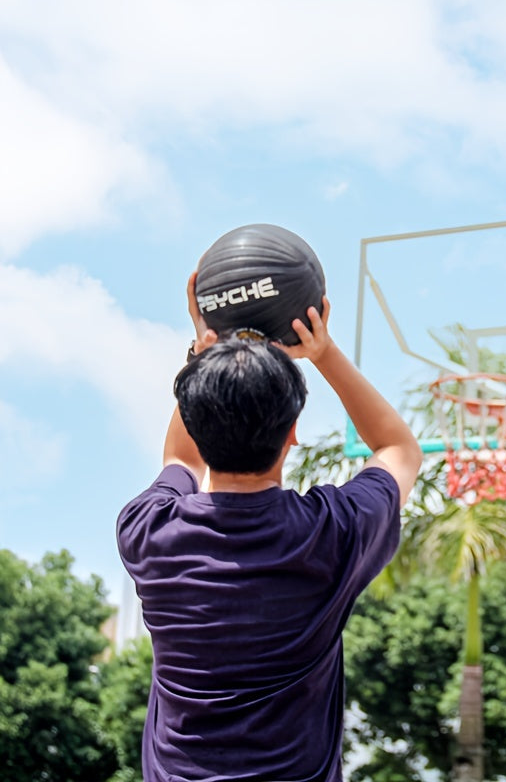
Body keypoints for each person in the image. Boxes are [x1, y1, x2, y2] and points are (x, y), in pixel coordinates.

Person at [117, 271, 422, 782]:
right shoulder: (330, 535)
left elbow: (178, 457)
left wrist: (205, 350)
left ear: (195, 423)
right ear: (294, 433)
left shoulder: (150, 532)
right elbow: (398, 450)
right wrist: (322, 352)